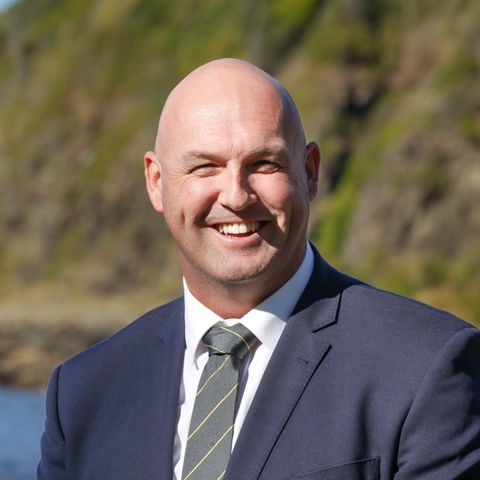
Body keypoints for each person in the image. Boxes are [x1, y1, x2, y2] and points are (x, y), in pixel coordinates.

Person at [38, 58, 480, 480]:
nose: (235, 195)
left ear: (309, 172)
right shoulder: (83, 392)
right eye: (204, 167)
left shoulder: (424, 365)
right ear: (156, 182)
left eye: (264, 164)